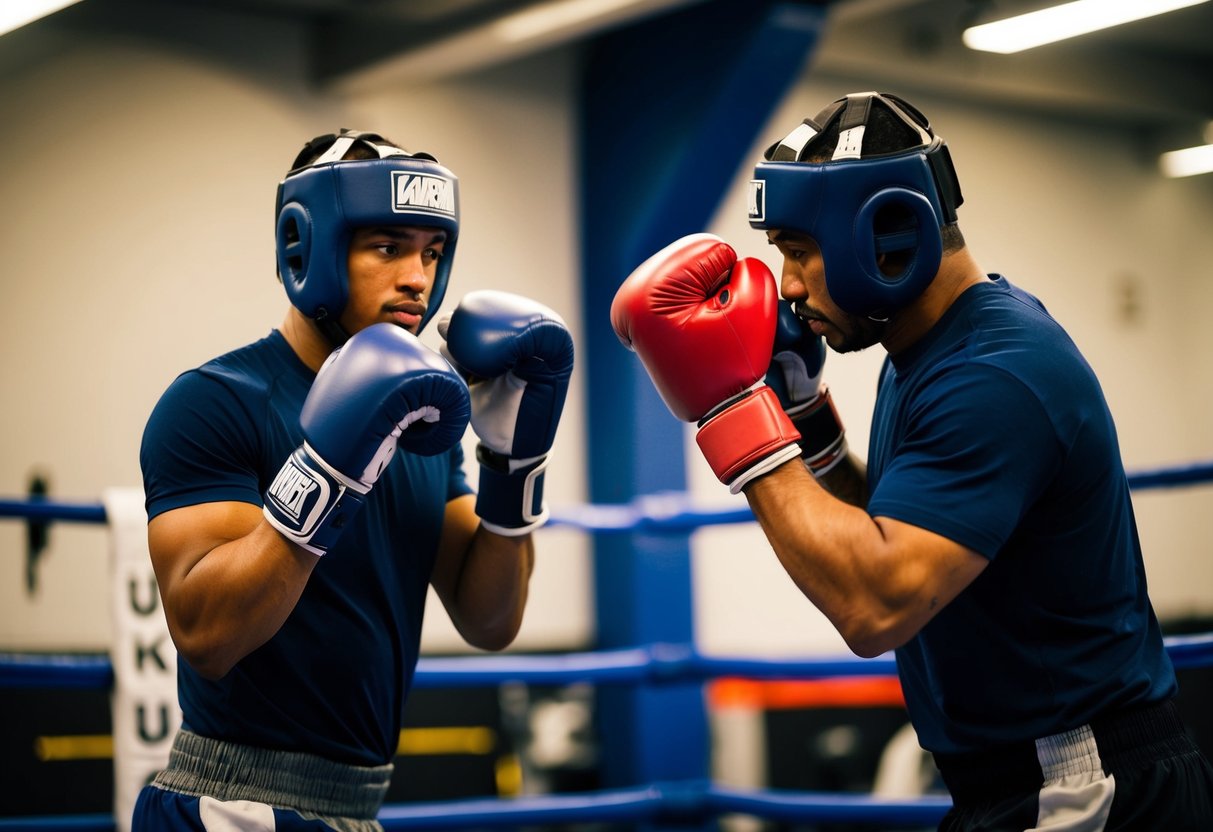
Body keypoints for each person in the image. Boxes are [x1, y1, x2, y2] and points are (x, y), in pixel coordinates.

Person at [612, 92, 1213, 829]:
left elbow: (874, 605)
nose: (788, 287)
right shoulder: (923, 354)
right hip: (1011, 780)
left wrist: (732, 409)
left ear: (883, 235)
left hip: (1082, 789)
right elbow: (885, 536)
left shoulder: (994, 373)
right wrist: (802, 418)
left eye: (799, 251)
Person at [135, 129, 574, 830]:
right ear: (305, 247)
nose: (417, 278)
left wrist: (513, 465)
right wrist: (326, 470)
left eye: (431, 253)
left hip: (355, 809)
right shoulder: (216, 400)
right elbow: (207, 635)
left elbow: (490, 619)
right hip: (232, 807)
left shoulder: (424, 418)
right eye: (387, 247)